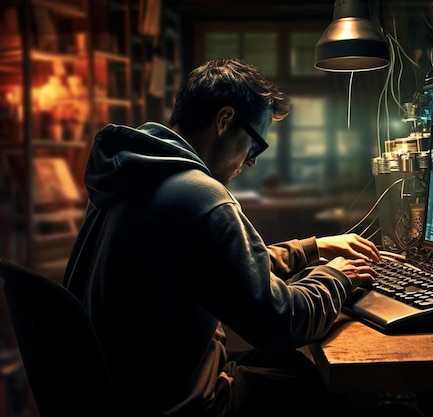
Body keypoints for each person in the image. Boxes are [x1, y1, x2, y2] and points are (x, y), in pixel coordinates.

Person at [63, 58, 382, 417]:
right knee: (348, 398)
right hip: (181, 404)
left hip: (130, 391)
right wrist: (337, 276)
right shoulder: (200, 196)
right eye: (255, 145)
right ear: (224, 119)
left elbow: (219, 266)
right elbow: (281, 321)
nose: (251, 162)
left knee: (294, 366)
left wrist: (313, 248)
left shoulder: (133, 175)